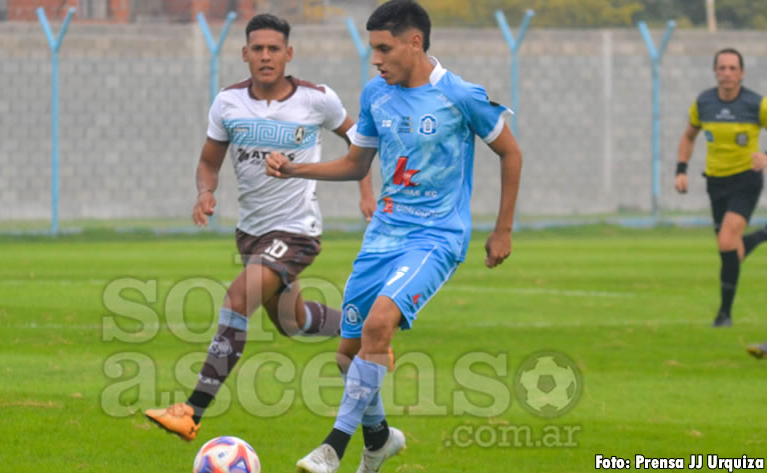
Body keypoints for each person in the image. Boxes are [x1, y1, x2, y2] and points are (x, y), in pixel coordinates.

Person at [266, 1, 522, 471]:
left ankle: (333, 448)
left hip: (436, 237)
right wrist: (295, 170)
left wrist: (502, 229)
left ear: (415, 42)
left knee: (379, 325)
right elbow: (356, 164)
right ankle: (379, 439)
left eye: (384, 49)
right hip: (383, 237)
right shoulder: (376, 94)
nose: (376, 60)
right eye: (373, 50)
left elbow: (511, 153)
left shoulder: (459, 95)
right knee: (348, 356)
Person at [144, 13, 376, 442]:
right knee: (295, 322)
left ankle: (191, 412)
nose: (266, 56)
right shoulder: (228, 103)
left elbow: (361, 142)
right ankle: (364, 328)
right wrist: (204, 192)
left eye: (274, 49)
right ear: (245, 54)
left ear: (288, 54)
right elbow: (208, 162)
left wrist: (366, 192)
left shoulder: (317, 99)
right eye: (258, 49)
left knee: (237, 298)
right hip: (251, 233)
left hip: (296, 231)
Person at [675, 47, 767, 340]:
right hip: (716, 183)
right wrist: (680, 170)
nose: (727, 73)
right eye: (722, 68)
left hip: (746, 180)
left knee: (728, 242)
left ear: (741, 73)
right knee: (730, 251)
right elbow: (689, 136)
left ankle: (724, 315)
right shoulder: (704, 102)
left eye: (732, 68)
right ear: (715, 71)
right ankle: (762, 236)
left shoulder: (757, 104)